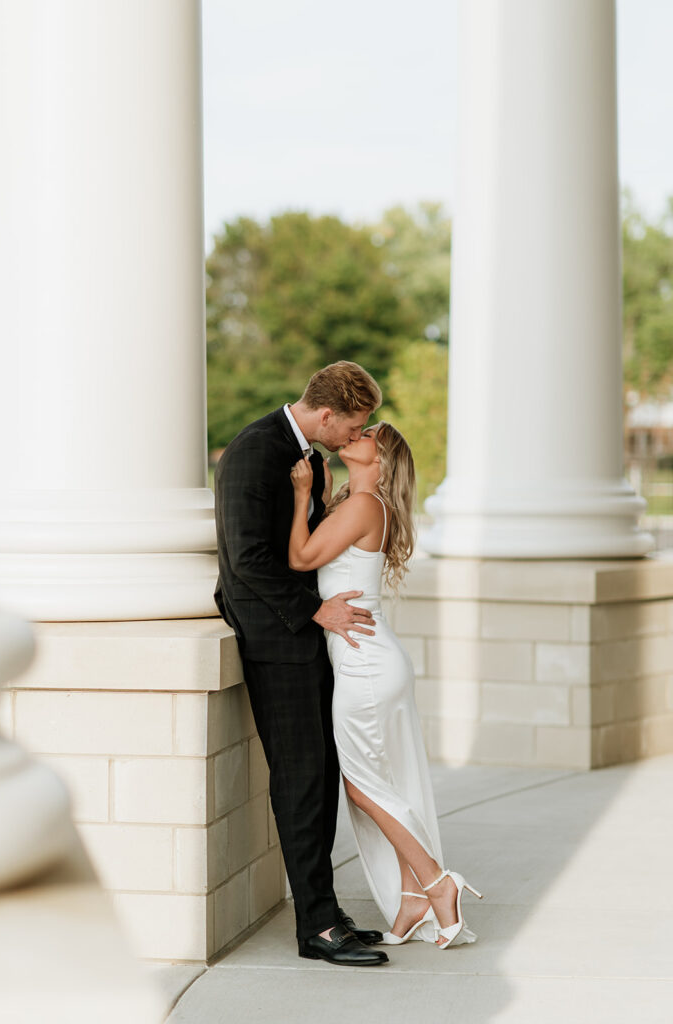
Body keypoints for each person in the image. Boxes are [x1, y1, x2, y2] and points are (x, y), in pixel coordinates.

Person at [213, 361, 389, 967]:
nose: (356, 436)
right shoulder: (254, 451)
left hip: (305, 638)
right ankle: (317, 927)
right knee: (301, 779)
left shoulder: (305, 455)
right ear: (328, 414)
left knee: (320, 774)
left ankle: (325, 911)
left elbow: (301, 547)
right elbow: (246, 559)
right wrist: (316, 611)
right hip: (275, 640)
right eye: (354, 426)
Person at [289, 421, 484, 948]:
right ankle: (413, 897)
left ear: (381, 459)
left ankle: (438, 882)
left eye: (368, 433)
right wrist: (320, 499)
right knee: (382, 784)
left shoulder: (363, 504)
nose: (356, 433)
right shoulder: (360, 504)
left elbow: (300, 558)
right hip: (371, 659)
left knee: (362, 785)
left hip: (366, 666)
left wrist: (303, 494)